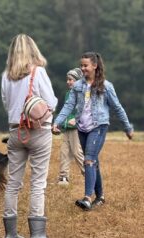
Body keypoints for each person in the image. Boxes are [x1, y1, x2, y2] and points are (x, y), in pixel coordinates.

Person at [52, 52, 133, 211]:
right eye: (81, 65)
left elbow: (117, 107)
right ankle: (100, 196)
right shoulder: (77, 86)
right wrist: (57, 123)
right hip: (82, 128)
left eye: (85, 65)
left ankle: (87, 198)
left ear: (95, 66)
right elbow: (69, 106)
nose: (82, 68)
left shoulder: (106, 86)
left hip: (99, 126)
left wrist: (127, 127)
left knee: (88, 160)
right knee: (93, 162)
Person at [1, 34, 58, 238]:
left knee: (13, 183)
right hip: (38, 131)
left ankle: (10, 234)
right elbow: (51, 101)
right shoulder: (38, 72)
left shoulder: (6, 76)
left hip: (15, 132)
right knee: (38, 183)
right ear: (33, 49)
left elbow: (7, 104)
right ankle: (37, 235)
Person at [57, 68, 85, 185]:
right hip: (66, 128)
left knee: (77, 152)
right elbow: (66, 110)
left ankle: (89, 174)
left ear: (78, 81)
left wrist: (76, 119)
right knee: (64, 152)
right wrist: (59, 123)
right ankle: (63, 177)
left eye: (71, 80)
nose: (68, 82)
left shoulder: (82, 93)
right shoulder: (68, 93)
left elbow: (84, 109)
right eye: (67, 79)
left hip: (75, 128)